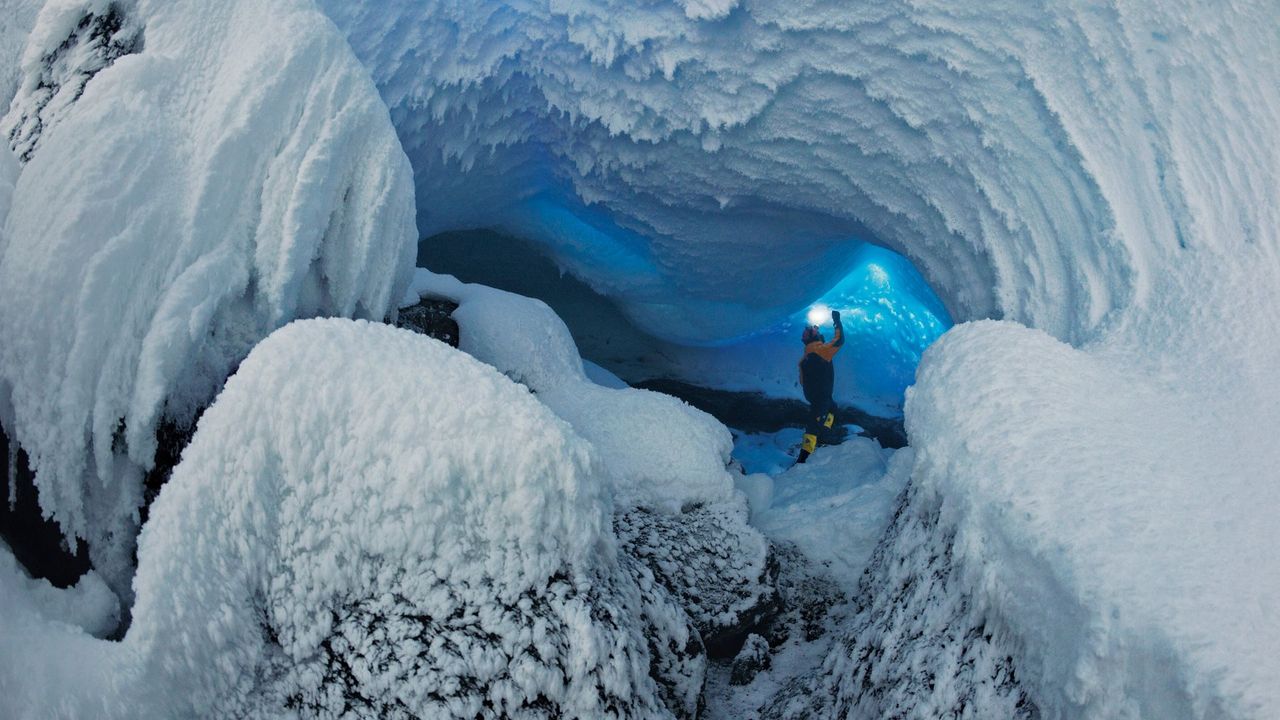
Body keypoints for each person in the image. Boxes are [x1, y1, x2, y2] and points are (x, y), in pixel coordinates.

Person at [796, 309, 844, 463]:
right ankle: (804, 457)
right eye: (812, 331)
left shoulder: (805, 358)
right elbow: (839, 340)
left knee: (831, 412)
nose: (814, 330)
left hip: (817, 397)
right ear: (813, 338)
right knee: (814, 424)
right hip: (822, 397)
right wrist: (836, 320)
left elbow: (803, 381)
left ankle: (823, 439)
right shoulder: (821, 351)